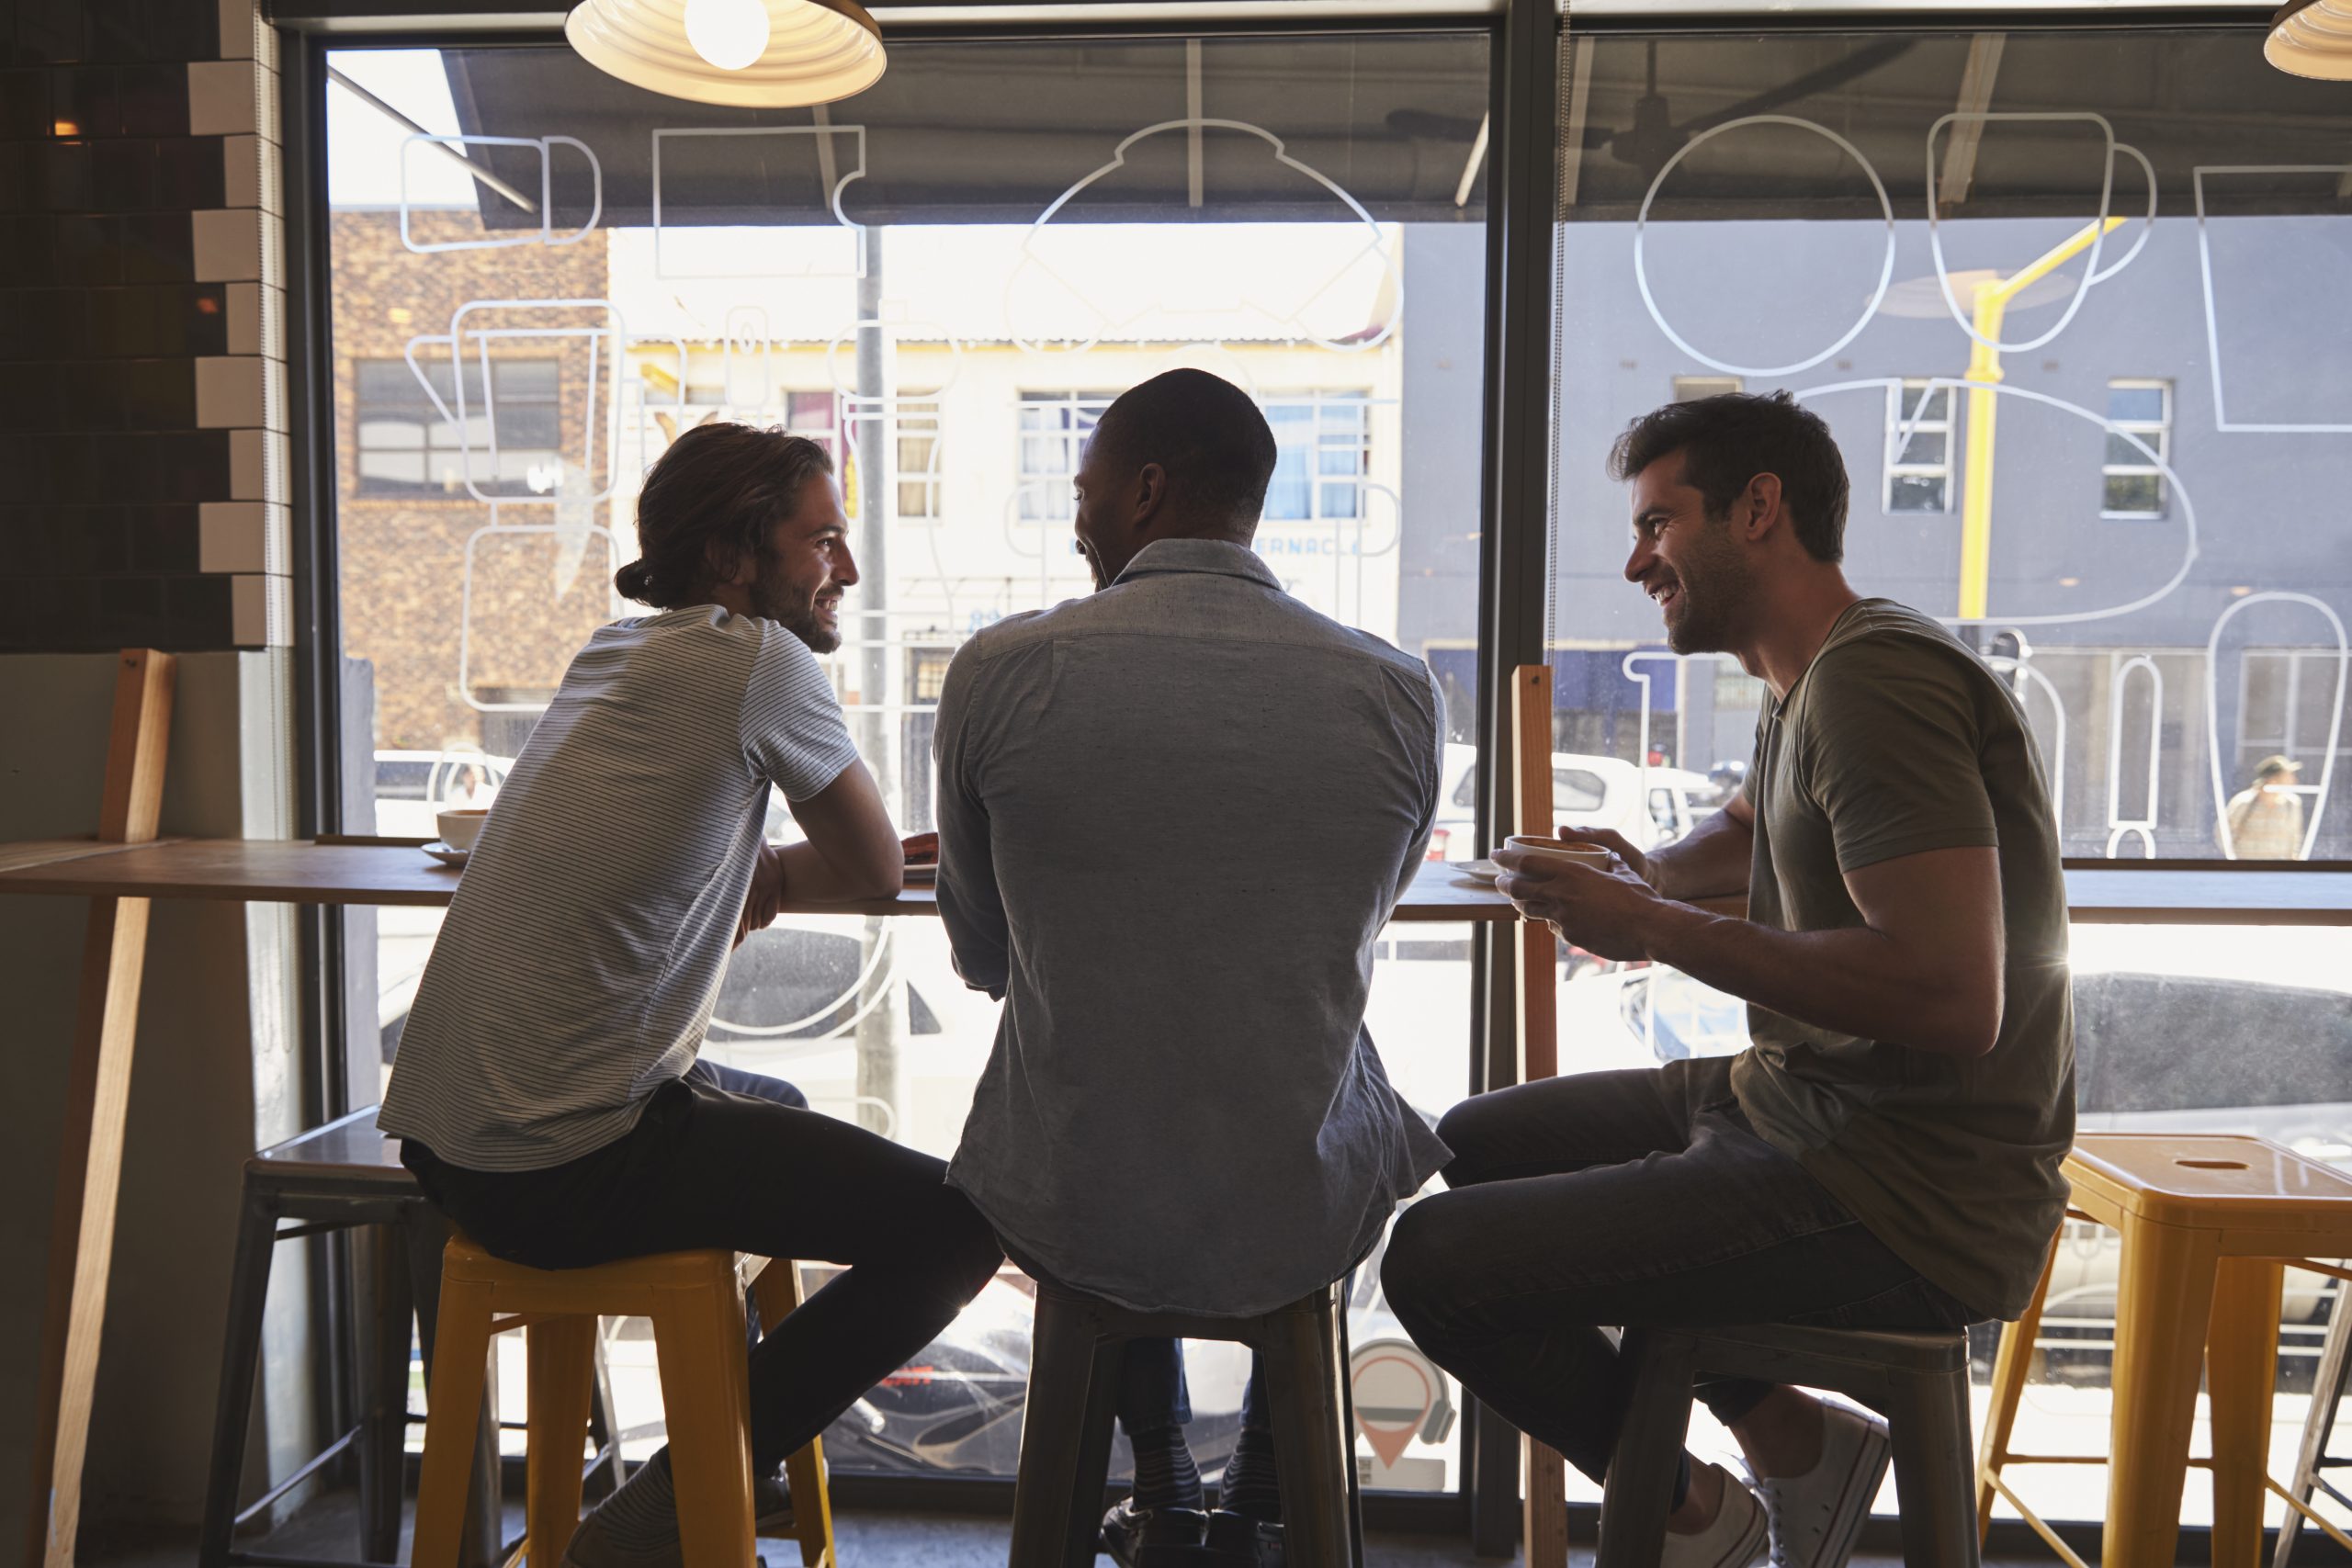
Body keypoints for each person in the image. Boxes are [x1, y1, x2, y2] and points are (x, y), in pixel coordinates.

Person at [1381, 391, 2074, 1568]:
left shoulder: (1874, 687)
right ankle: (1796, 1442)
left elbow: (1950, 996)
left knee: (1434, 1265)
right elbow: (1751, 838)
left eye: (1659, 523)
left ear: (1760, 510)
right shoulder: (1803, 679)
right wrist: (1644, 870)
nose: (1636, 559)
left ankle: (1693, 1519)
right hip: (1797, 1106)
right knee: (1474, 1140)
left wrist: (1644, 922)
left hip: (1905, 1189)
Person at [377, 423, 1002, 1568]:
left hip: (448, 1138)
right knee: (958, 1228)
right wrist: (809, 865)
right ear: (734, 554)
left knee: (775, 1105)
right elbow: (867, 871)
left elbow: (731, 847)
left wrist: (761, 869)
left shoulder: (617, 654)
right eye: (823, 540)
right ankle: (681, 1499)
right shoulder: (762, 664)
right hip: (562, 1164)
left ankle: (720, 1475)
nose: (846, 571)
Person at [933, 369, 1450, 1568]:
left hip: (1082, 1181)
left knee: (1108, 1052)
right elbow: (1354, 920)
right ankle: (1268, 1496)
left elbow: (978, 952)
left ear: (1146, 491)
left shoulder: (1000, 669)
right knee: (1311, 1070)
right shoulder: (1394, 689)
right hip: (1288, 1185)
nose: (1078, 516)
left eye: (1086, 488)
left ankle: (1166, 1483)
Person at [2223, 753, 2306, 860]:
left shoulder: (2291, 804)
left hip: (2279, 869)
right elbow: (2224, 832)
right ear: (2273, 779)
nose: (2293, 780)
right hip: (2247, 868)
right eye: (2287, 776)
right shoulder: (2244, 802)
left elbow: (2295, 835)